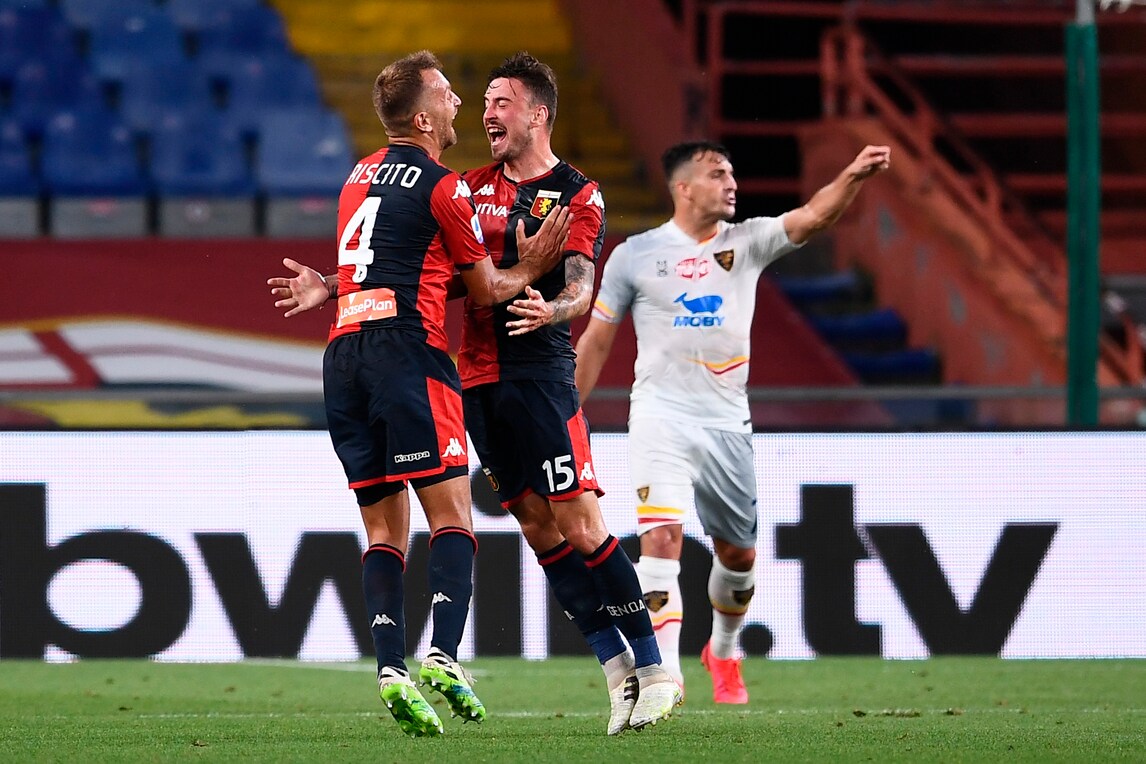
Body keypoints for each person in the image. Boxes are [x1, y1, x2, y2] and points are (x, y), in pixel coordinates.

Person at [269, 52, 682, 735]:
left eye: (500, 102)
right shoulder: (463, 186)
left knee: (581, 525)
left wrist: (554, 308)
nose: (485, 112)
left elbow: (580, 285)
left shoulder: (578, 193)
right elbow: (425, 270)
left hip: (541, 376)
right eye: (481, 101)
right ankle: (617, 673)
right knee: (538, 528)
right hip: (478, 380)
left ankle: (656, 667)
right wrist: (336, 285)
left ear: (538, 114)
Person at [574, 140, 891, 704]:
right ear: (684, 187)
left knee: (738, 556)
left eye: (732, 174)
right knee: (660, 539)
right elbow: (597, 341)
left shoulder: (747, 241)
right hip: (658, 416)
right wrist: (566, 413)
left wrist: (853, 173)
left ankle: (722, 650)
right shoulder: (635, 255)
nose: (732, 183)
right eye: (718, 174)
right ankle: (664, 674)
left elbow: (814, 216)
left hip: (726, 423)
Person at [313, 50, 569, 738]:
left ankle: (391, 670)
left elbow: (379, 264)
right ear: (423, 119)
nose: (460, 104)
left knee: (382, 529)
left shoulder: (356, 176)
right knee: (452, 517)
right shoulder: (444, 185)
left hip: (344, 355)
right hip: (409, 355)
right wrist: (533, 264)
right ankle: (444, 656)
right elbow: (485, 292)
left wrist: (325, 287)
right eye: (448, 94)